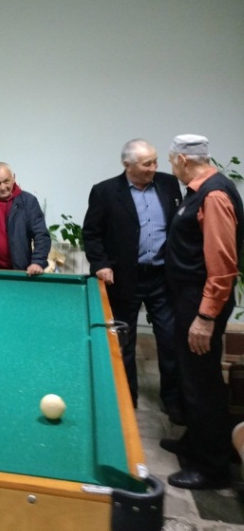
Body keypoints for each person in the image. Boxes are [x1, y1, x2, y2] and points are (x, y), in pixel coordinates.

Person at [161, 134, 244, 490]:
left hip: (201, 303)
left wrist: (206, 317)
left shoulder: (214, 195)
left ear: (182, 159)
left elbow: (223, 265)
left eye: (170, 161)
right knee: (191, 375)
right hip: (188, 299)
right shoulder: (198, 191)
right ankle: (196, 443)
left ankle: (213, 468)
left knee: (202, 383)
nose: (171, 167)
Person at [82, 139, 183, 420]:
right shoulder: (105, 191)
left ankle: (173, 400)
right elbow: (91, 233)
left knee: (170, 339)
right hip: (124, 278)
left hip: (162, 277)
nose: (154, 168)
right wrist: (101, 264)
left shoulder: (168, 185)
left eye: (155, 161)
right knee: (124, 341)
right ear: (127, 165)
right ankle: (127, 398)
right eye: (147, 163)